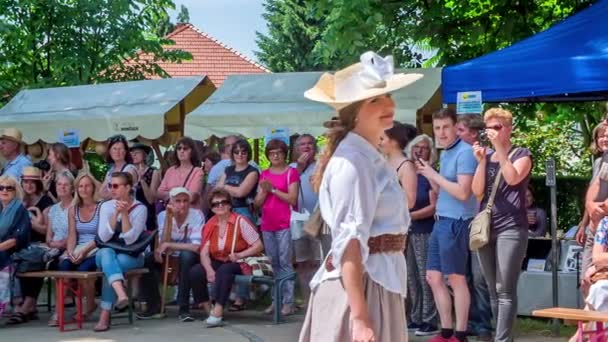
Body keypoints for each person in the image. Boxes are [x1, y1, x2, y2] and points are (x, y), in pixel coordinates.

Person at [299, 51, 422, 342]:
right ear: (353, 111)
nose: (389, 103)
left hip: (379, 280)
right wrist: (360, 316)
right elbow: (350, 242)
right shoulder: (352, 163)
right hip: (361, 287)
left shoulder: (369, 156)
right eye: (375, 99)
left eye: (388, 95)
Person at [416, 108, 478, 342]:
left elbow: (463, 193)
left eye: (445, 127)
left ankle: (460, 334)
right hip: (441, 221)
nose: (441, 133)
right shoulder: (446, 153)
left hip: (457, 222)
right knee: (433, 277)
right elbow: (445, 189)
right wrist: (432, 177)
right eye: (437, 128)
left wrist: (433, 174)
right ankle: (446, 332)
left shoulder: (465, 153)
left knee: (456, 278)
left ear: (456, 127)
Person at [471, 108, 532, 342]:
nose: (493, 132)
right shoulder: (486, 156)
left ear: (509, 129)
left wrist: (498, 150)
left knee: (504, 288)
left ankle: (502, 340)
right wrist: (480, 163)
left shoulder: (522, 154)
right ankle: (503, 336)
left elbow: (512, 178)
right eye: (490, 128)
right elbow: (477, 193)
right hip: (487, 227)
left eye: (498, 127)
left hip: (512, 227)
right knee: (491, 287)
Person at [190, 188, 263, 327]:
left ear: (230, 204)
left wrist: (240, 255)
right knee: (196, 272)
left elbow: (258, 245)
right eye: (215, 204)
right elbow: (204, 253)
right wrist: (209, 269)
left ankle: (218, 310)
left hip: (240, 260)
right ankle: (208, 309)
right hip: (219, 259)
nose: (220, 206)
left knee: (225, 271)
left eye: (223, 202)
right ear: (211, 208)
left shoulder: (240, 221)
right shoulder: (210, 224)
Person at [137, 187, 204, 321]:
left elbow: (196, 247)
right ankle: (154, 305)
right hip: (170, 253)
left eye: (185, 201)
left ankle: (183, 308)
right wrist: (169, 218)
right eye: (178, 201)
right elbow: (163, 242)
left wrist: (170, 245)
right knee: (148, 259)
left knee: (186, 256)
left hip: (189, 254)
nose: (182, 205)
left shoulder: (197, 215)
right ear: (171, 203)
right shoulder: (163, 215)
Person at [455, 113, 494, 341]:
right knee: (464, 276)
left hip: (480, 223)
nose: (456, 135)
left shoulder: (487, 157)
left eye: (460, 130)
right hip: (462, 222)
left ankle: (484, 326)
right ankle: (468, 321)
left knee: (480, 277)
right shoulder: (456, 155)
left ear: (473, 133)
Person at [94, 172, 147, 332]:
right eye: (110, 185)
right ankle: (120, 292)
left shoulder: (140, 208)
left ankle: (105, 314)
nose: (112, 189)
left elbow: (130, 240)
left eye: (116, 186)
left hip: (132, 255)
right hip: (107, 253)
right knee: (106, 253)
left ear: (128, 187)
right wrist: (115, 213)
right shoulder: (105, 206)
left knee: (110, 266)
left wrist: (124, 214)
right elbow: (103, 237)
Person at [254, 139, 300, 316]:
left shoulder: (291, 172)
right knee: (272, 263)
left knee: (285, 261)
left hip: (285, 223)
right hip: (268, 223)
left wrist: (272, 190)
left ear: (284, 154)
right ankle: (276, 300)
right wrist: (264, 191)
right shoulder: (264, 173)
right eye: (272, 153)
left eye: (278, 152)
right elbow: (257, 203)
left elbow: (292, 198)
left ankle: (288, 302)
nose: (275, 156)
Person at [50, 172, 101, 325]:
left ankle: (90, 304)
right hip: (79, 247)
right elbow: (72, 234)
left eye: (87, 186)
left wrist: (84, 251)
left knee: (83, 269)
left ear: (93, 188)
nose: (83, 189)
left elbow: (102, 236)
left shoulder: (101, 207)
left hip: (96, 247)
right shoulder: (74, 209)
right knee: (64, 267)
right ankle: (58, 312)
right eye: (80, 186)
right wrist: (71, 251)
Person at [404, 134, 439, 336]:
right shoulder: (408, 173)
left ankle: (429, 319)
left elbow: (435, 205)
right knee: (412, 277)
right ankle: (416, 317)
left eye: (424, 148)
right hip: (408, 231)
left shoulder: (431, 173)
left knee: (426, 276)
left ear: (430, 152)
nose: (419, 151)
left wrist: (409, 216)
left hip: (425, 230)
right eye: (416, 147)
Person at [289, 134, 324, 306]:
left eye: (310, 143)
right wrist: (299, 169)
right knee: (302, 262)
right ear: (296, 149)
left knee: (318, 260)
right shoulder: (291, 168)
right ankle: (306, 298)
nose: (306, 147)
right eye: (302, 144)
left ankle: (320, 297)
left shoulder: (322, 165)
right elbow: (285, 188)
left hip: (318, 219)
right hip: (297, 220)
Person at [0, 176, 31, 323]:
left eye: (9, 188)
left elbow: (17, 239)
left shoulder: (20, 210)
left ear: (15, 190)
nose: (4, 191)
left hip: (12, 252)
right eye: (1, 188)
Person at [216, 138, 259, 224]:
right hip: (225, 209)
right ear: (232, 154)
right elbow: (217, 190)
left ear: (248, 154)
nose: (240, 155)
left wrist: (225, 186)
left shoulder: (252, 171)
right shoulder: (228, 169)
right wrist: (232, 190)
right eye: (236, 152)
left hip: (244, 211)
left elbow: (240, 193)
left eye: (243, 152)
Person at [380, 120, 418, 208]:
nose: (379, 142)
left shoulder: (406, 167)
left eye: (382, 139)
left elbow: (410, 202)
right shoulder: (382, 163)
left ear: (394, 141)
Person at [157, 137, 203, 206]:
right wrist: (182, 194)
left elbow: (192, 196)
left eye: (185, 148)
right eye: (179, 148)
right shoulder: (170, 170)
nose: (182, 151)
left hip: (189, 212)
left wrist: (170, 194)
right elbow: (159, 192)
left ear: (192, 152)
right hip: (171, 212)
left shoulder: (197, 172)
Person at [131, 142, 160, 231]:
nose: (134, 155)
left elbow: (151, 200)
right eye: (132, 153)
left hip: (147, 213)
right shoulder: (128, 171)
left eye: (137, 152)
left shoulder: (153, 172)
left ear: (145, 155)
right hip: (131, 212)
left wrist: (142, 180)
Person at [21, 166, 54, 243]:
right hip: (21, 242)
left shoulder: (45, 201)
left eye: (32, 182)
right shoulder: (20, 199)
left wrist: (30, 221)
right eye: (26, 182)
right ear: (22, 183)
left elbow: (46, 230)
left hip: (38, 243)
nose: (29, 186)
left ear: (38, 184)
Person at [99, 135, 138, 200]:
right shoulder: (110, 171)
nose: (117, 152)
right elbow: (102, 192)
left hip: (126, 207)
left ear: (125, 152)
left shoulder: (130, 169)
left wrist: (108, 194)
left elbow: (121, 193)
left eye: (120, 149)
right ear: (110, 151)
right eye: (114, 149)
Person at [45, 171, 74, 253]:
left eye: (66, 185)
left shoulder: (76, 207)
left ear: (72, 189)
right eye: (59, 184)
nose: (62, 187)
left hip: (69, 249)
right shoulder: (54, 209)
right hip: (53, 249)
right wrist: (52, 244)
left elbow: (77, 234)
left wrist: (60, 244)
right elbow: (48, 237)